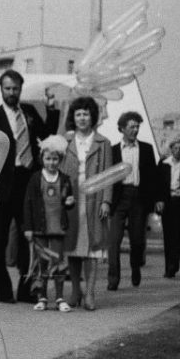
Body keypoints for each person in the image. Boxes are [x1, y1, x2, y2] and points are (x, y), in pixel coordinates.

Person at [0, 69, 59, 303]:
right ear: (1, 89)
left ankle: (26, 290)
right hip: (1, 185)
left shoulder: (30, 112)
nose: (12, 93)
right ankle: (4, 292)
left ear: (20, 89)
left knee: (29, 238)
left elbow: (47, 136)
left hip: (28, 182)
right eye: (8, 88)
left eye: (16, 89)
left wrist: (52, 109)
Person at [60, 96, 113, 311]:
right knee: (72, 248)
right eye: (78, 114)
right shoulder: (65, 141)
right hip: (72, 200)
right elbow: (60, 172)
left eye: (86, 114)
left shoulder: (103, 143)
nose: (82, 118)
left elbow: (109, 174)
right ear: (73, 117)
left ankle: (90, 293)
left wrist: (106, 201)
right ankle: (75, 291)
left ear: (93, 117)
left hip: (94, 200)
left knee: (92, 248)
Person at [23, 135, 75, 312]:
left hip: (58, 228)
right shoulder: (35, 178)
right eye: (48, 158)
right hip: (39, 228)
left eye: (55, 159)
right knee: (42, 264)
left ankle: (60, 297)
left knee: (59, 262)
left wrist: (70, 202)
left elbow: (70, 200)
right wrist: (28, 228)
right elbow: (28, 204)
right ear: (42, 159)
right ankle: (42, 297)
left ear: (60, 159)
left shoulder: (65, 179)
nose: (51, 162)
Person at [107, 111, 157, 289]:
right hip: (118, 199)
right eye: (131, 127)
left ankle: (135, 267)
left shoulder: (146, 149)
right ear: (122, 128)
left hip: (138, 198)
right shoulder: (112, 150)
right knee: (114, 241)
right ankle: (113, 279)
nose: (135, 130)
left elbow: (153, 177)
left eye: (137, 126)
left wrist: (155, 200)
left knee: (137, 241)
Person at [154, 139, 180, 278]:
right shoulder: (164, 164)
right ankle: (169, 266)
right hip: (167, 202)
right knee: (168, 235)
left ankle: (174, 264)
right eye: (175, 148)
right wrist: (158, 201)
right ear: (171, 149)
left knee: (177, 234)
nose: (178, 151)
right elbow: (157, 183)